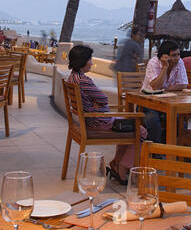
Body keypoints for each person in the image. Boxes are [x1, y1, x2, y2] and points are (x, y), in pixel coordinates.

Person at [66, 44, 154, 183]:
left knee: (127, 126)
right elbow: (103, 98)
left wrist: (97, 104)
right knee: (141, 131)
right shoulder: (84, 81)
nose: (92, 62)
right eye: (89, 59)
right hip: (98, 122)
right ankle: (124, 168)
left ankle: (116, 164)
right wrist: (98, 104)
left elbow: (99, 100)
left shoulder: (72, 78)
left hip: (91, 120)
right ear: (82, 61)